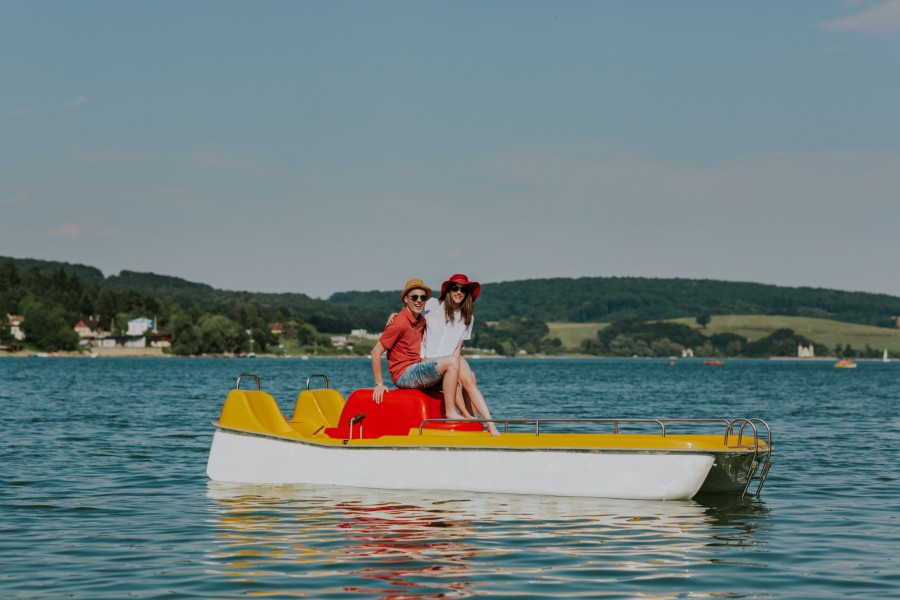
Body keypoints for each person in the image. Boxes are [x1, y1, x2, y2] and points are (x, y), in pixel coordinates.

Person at [387, 274, 500, 436]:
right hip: (428, 360)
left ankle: (488, 424)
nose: (459, 292)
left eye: (463, 289)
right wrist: (394, 314)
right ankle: (467, 416)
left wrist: (457, 365)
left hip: (451, 358)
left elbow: (458, 347)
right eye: (455, 288)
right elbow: (413, 307)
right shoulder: (433, 305)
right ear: (448, 290)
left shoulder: (468, 317)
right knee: (459, 377)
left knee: (469, 379)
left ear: (468, 292)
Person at [370, 278, 464, 421]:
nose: (419, 300)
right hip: (404, 375)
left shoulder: (420, 320)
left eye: (422, 297)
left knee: (459, 379)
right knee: (452, 362)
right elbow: (376, 351)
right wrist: (379, 384)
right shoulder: (399, 323)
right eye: (414, 297)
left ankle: (468, 417)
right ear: (406, 300)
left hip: (416, 368)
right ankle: (451, 413)